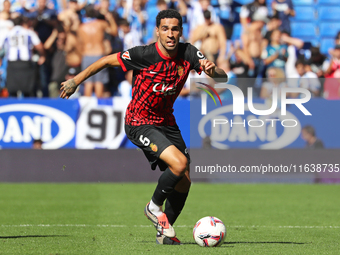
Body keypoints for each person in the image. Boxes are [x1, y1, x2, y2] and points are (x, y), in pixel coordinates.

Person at [60, 9, 228, 245]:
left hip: (167, 122)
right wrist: (76, 81)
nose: (170, 34)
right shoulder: (144, 55)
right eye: (165, 28)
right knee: (179, 164)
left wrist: (213, 71)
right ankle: (153, 207)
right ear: (157, 31)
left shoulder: (189, 53)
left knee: (185, 179)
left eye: (175, 29)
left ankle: (164, 233)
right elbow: (106, 60)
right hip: (140, 122)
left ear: (180, 31)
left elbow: (222, 79)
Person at [78, 4, 117, 98]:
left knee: (88, 83)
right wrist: (111, 18)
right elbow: (114, 32)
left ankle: (87, 110)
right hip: (98, 54)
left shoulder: (81, 27)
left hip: (86, 55)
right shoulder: (101, 24)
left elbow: (79, 45)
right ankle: (98, 107)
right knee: (99, 83)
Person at [0, 15, 45, 97]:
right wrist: (42, 55)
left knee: (12, 90)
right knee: (27, 89)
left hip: (12, 64)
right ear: (22, 23)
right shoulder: (28, 32)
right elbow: (39, 46)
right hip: (25, 64)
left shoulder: (8, 33)